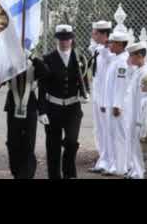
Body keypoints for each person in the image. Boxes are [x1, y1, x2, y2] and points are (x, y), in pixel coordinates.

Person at [37, 25, 90, 179]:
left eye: (67, 39)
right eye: (61, 38)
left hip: (73, 108)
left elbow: (84, 79)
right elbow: (42, 86)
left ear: (72, 39)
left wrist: (85, 93)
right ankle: (54, 175)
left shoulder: (79, 58)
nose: (64, 42)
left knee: (72, 142)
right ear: (57, 39)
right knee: (53, 146)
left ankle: (69, 173)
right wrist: (41, 111)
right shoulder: (47, 58)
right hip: (53, 107)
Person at [4, 51, 47, 179]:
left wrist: (31, 57)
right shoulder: (8, 61)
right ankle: (16, 171)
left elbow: (45, 73)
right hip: (13, 105)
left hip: (30, 105)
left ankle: (27, 174)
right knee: (13, 143)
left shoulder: (33, 63)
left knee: (29, 143)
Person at [102, 31, 130, 177]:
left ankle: (121, 166)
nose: (109, 45)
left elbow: (120, 85)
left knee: (119, 136)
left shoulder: (122, 62)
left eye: (112, 43)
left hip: (116, 106)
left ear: (119, 44)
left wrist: (117, 105)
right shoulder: (116, 58)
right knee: (113, 135)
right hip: (110, 104)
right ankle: (115, 164)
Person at [124, 42, 147, 179]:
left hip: (138, 116)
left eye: (131, 55)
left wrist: (140, 120)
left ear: (139, 55)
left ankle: (139, 172)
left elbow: (144, 99)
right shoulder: (137, 71)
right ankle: (135, 170)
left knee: (139, 147)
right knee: (133, 144)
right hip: (132, 114)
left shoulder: (145, 73)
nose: (129, 58)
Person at [88, 21, 113, 174]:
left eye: (95, 32)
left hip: (107, 97)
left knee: (107, 129)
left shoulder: (110, 51)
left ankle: (110, 160)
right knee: (99, 129)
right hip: (97, 94)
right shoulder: (98, 49)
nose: (93, 35)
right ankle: (103, 159)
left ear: (104, 34)